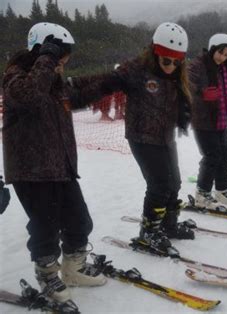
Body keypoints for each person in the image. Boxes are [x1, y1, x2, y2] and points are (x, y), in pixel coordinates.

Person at [2, 22, 106, 304]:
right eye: (59, 57)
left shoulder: (54, 84)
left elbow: (81, 92)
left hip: (60, 166)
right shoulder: (15, 78)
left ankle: (74, 268)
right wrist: (47, 59)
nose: (62, 64)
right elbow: (29, 97)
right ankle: (48, 275)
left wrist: (114, 81)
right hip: (30, 170)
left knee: (79, 220)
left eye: (63, 58)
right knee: (45, 227)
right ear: (42, 51)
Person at [71, 22, 195, 247]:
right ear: (156, 53)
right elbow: (104, 82)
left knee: (174, 182)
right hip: (142, 137)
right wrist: (72, 90)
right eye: (167, 60)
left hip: (165, 136)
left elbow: (181, 97)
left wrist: (184, 114)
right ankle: (148, 232)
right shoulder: (136, 70)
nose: (171, 66)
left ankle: (168, 223)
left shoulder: (176, 74)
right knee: (160, 184)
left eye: (177, 62)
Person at [188, 33, 227, 209]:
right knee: (212, 156)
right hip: (203, 119)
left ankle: (223, 189)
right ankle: (202, 193)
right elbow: (186, 84)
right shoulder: (198, 65)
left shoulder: (225, 68)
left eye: (226, 55)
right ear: (212, 49)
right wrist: (202, 92)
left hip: (220, 119)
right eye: (220, 53)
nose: (223, 58)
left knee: (225, 155)